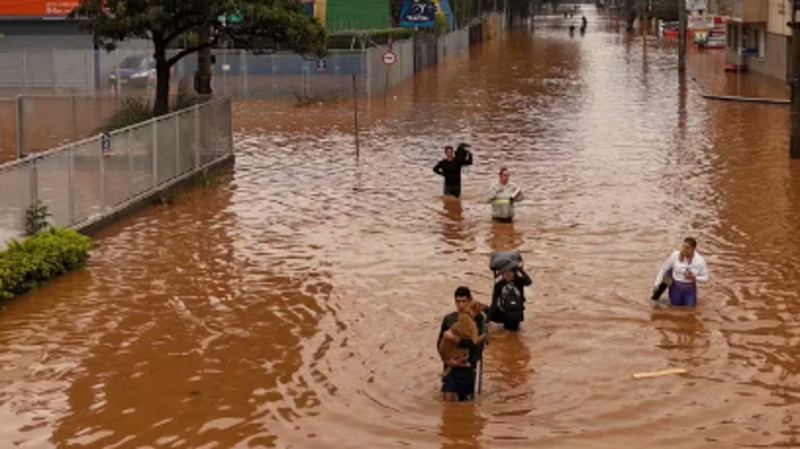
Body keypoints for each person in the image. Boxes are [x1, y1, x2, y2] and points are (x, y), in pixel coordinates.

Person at [437, 287, 487, 402]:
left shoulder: (479, 319)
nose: (461, 305)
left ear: (470, 301)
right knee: (447, 409)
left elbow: (479, 345)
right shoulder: (449, 319)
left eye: (464, 301)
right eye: (458, 302)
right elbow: (440, 343)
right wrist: (447, 361)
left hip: (467, 369)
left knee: (467, 408)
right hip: (450, 367)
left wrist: (456, 339)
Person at [653, 237, 709, 307]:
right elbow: (664, 269)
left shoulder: (700, 261)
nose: (684, 250)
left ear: (693, 249)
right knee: (675, 310)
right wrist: (657, 284)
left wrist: (694, 277)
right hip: (676, 288)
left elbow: (706, 278)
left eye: (687, 248)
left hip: (690, 290)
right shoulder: (675, 256)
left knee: (690, 311)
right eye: (683, 247)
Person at [488, 260, 532, 331]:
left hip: (516, 313)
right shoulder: (499, 285)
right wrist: (487, 319)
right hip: (504, 313)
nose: (508, 274)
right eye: (506, 272)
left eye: (510, 272)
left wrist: (521, 270)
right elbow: (494, 302)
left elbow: (529, 282)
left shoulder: (519, 281)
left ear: (514, 273)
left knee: (514, 331)